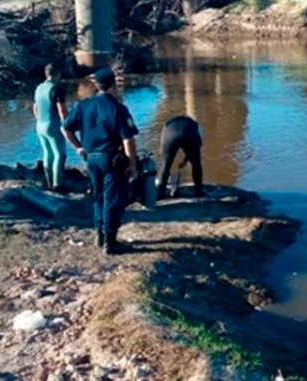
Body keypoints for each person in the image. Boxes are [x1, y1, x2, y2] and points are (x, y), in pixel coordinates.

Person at [61, 68, 139, 255]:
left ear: (96, 85)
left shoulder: (83, 105)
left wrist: (79, 147)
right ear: (113, 84)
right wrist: (132, 164)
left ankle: (99, 235)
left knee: (98, 196)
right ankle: (110, 241)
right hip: (111, 159)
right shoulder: (118, 108)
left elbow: (66, 128)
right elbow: (128, 139)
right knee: (113, 198)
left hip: (91, 158)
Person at [32, 63, 68, 192]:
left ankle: (49, 182)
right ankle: (58, 184)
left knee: (47, 153)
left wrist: (39, 119)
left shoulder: (39, 87)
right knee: (60, 154)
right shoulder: (57, 89)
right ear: (57, 74)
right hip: (53, 125)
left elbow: (35, 107)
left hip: (40, 124)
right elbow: (62, 111)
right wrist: (68, 125)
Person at [157, 115, 204, 200]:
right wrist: (186, 159)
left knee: (165, 165)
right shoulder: (194, 125)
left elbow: (162, 148)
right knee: (196, 163)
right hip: (188, 133)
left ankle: (161, 194)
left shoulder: (167, 124)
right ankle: (199, 192)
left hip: (170, 133)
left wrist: (167, 158)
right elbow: (198, 146)